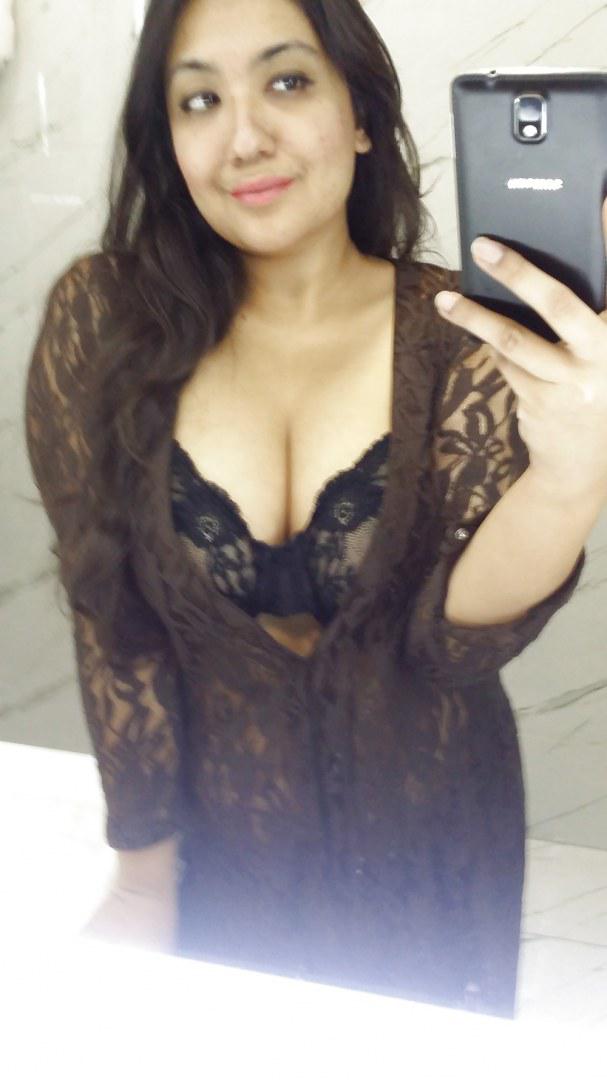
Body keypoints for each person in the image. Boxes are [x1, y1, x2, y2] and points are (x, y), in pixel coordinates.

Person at [24, 0, 607, 1019]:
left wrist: (571, 470)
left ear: (361, 114)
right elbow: (109, 616)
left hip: (436, 856)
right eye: (199, 100)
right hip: (217, 858)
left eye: (287, 81)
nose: (244, 136)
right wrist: (145, 880)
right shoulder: (103, 320)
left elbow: (452, 645)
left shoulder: (463, 337)